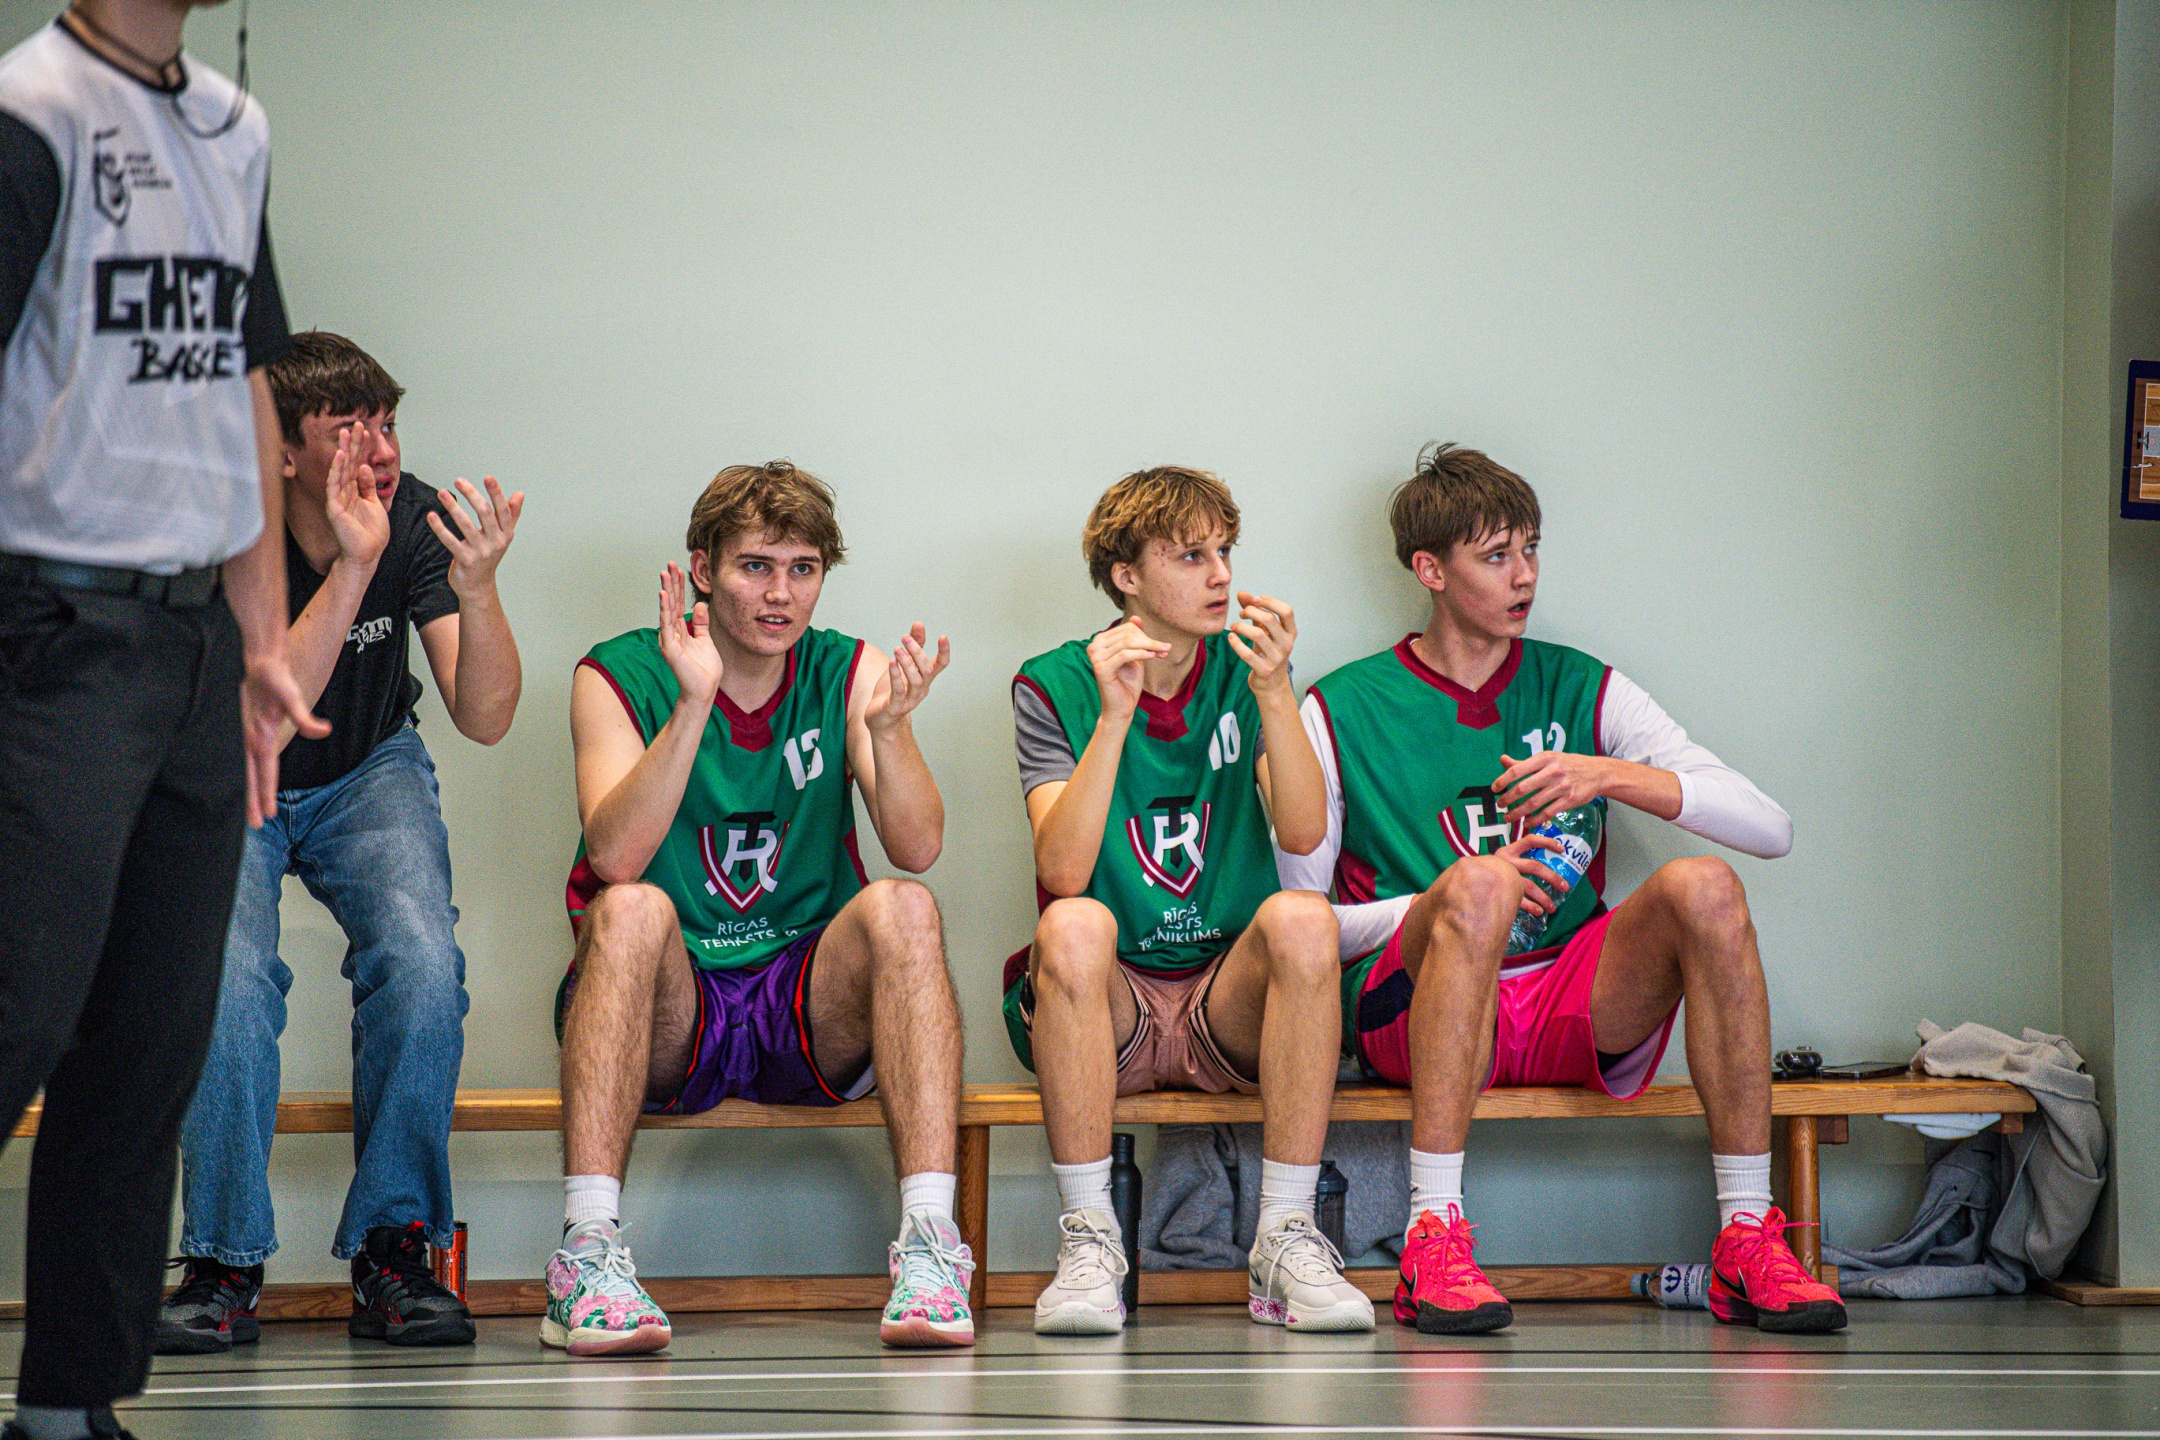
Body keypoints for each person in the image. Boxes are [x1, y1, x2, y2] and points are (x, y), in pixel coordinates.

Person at [1277, 442, 1842, 1336]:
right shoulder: (1341, 706)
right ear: (1431, 570)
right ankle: (1433, 1235)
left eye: (1532, 549)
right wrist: (1450, 900)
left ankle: (1744, 1234)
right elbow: (1304, 931)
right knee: (1476, 886)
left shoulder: (1581, 683)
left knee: (1706, 885)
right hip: (1415, 1009)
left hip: (1565, 999)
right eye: (1497, 556)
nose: (1525, 575)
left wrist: (1609, 773)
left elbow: (1772, 829)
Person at [0, 2, 323, 1436]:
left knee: (149, 1042)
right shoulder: (32, 113)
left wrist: (258, 639)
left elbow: (245, 384)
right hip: (47, 629)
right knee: (19, 1012)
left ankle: (70, 1408)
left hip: (194, 644)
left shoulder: (234, 129)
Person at [548, 460, 969, 1353]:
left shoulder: (846, 670)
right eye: (756, 567)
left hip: (801, 999)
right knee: (628, 908)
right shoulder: (616, 672)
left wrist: (890, 730)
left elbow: (919, 845)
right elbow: (615, 857)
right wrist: (692, 702)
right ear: (704, 570)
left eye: (802, 569)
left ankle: (933, 1248)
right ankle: (586, 1254)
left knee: (906, 906)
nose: (781, 594)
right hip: (676, 1001)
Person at [157, 332, 525, 1354]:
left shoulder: (415, 520)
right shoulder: (224, 534)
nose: (383, 451)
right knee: (226, 980)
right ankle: (224, 1260)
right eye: (351, 430)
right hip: (234, 769)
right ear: (283, 454)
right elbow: (268, 722)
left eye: (390, 424)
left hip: (369, 765)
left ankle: (393, 1251)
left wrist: (479, 590)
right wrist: (355, 566)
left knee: (421, 962)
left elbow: (485, 717)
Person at [1007, 466, 1371, 1337]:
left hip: (1222, 1000)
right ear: (1126, 576)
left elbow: (1302, 833)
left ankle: (1285, 1236)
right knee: (1073, 923)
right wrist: (1113, 719)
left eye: (1225, 552)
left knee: (1303, 918)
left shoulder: (1247, 672)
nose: (1222, 576)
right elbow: (1063, 869)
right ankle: (1090, 1244)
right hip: (1111, 1002)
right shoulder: (1053, 681)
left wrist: (1275, 691)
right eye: (1191, 556)